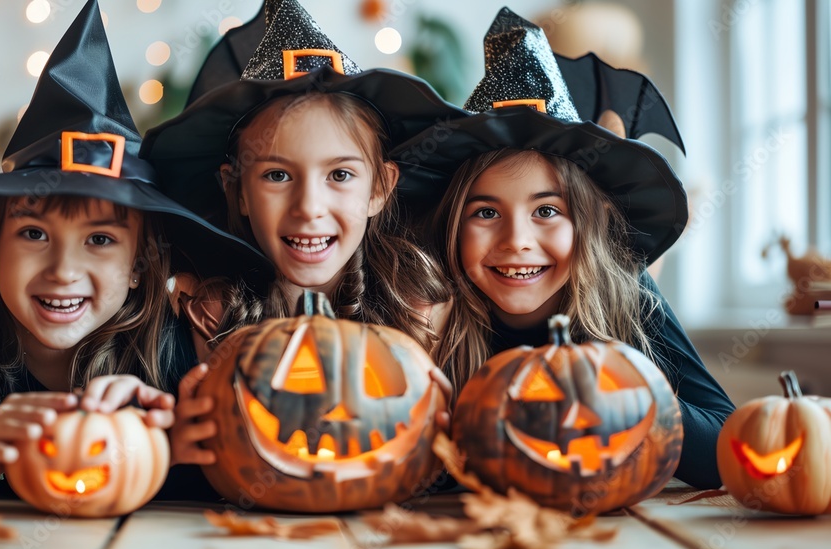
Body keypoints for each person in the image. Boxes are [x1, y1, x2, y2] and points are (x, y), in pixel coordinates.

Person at [0, 0, 271, 507]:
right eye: (34, 234)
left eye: (100, 240)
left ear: (139, 266)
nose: (63, 271)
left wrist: (165, 450)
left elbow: (249, 473)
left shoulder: (174, 345)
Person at [393, 8, 734, 489]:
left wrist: (630, 389)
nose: (516, 242)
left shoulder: (625, 290)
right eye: (485, 213)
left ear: (589, 224)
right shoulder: (431, 303)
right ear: (452, 224)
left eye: (547, 211)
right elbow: (393, 462)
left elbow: (724, 452)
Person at [141, 0, 460, 469]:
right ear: (239, 191)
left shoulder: (423, 311)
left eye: (340, 175)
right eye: (276, 176)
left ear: (380, 189)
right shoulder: (204, 314)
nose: (309, 207)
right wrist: (167, 450)